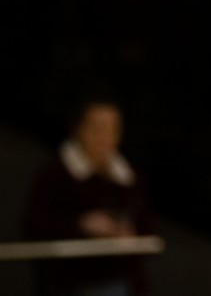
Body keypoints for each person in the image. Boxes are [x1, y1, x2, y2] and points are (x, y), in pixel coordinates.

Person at [21, 95, 157, 296]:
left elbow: (148, 228)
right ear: (78, 129)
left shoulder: (128, 177)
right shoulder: (56, 173)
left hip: (124, 280)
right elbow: (32, 223)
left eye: (113, 130)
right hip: (72, 281)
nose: (105, 138)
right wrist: (81, 224)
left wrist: (128, 234)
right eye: (97, 129)